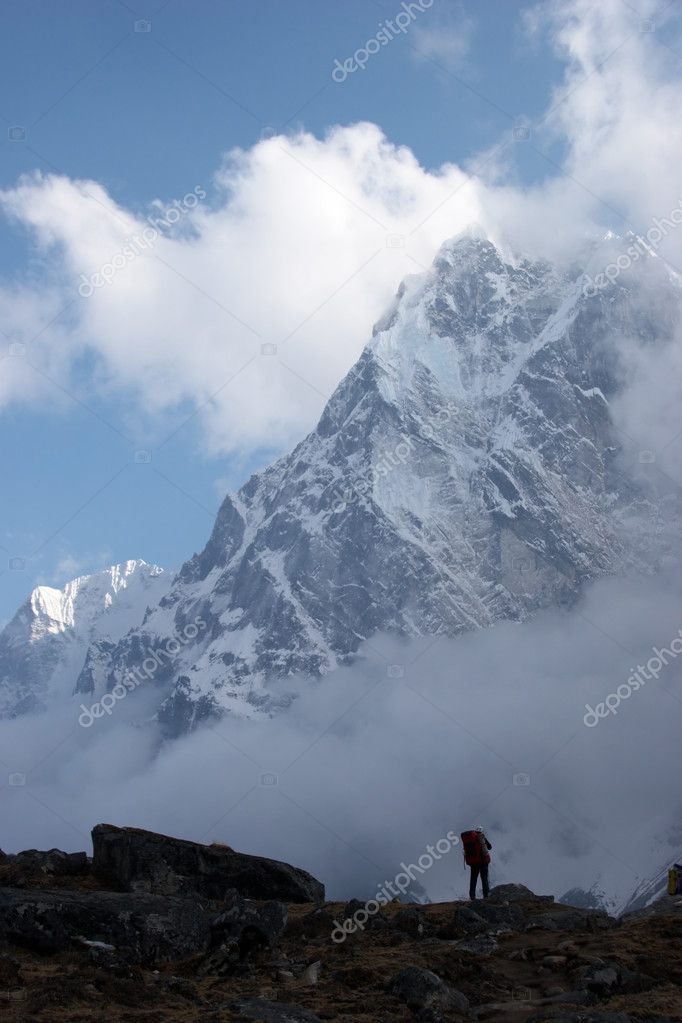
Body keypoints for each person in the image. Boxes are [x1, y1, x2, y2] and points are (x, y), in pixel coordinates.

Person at [463, 826, 492, 900]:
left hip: (473, 862)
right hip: (483, 862)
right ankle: (486, 896)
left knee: (473, 879)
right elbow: (489, 847)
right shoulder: (481, 837)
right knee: (484, 879)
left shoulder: (469, 839)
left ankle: (472, 896)